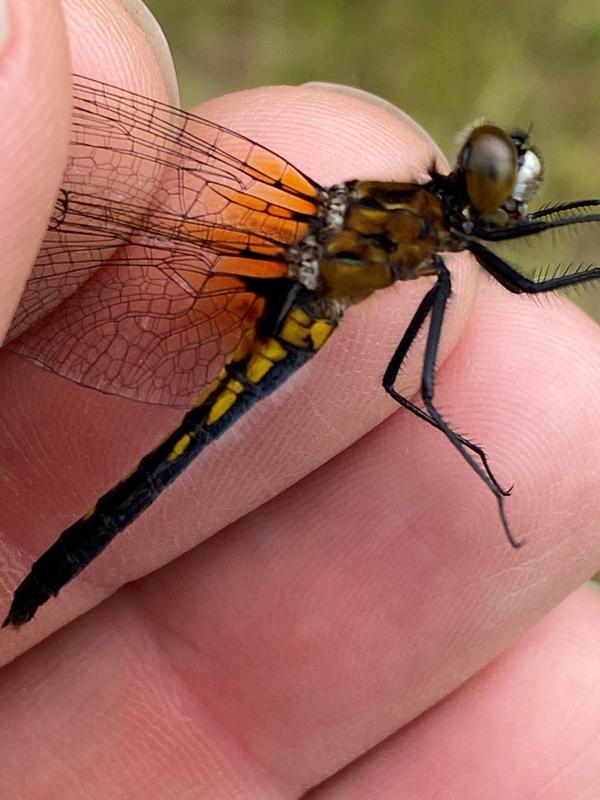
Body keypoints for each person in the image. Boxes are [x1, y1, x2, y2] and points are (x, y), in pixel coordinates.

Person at [1, 0, 599, 796]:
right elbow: (451, 341)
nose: (511, 193)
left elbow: (455, 332)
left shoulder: (428, 229)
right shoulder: (415, 228)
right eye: (501, 176)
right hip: (290, 297)